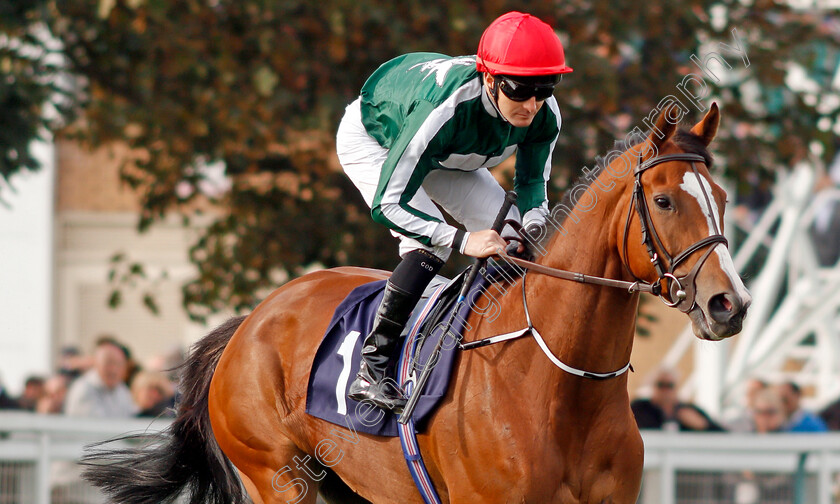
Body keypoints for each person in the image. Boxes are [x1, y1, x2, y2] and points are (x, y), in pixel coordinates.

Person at [336, 11, 572, 412]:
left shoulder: (545, 116)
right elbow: (387, 204)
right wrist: (463, 239)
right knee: (430, 248)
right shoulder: (444, 108)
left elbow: (532, 187)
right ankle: (372, 367)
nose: (531, 105)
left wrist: (534, 224)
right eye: (520, 90)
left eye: (545, 88)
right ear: (491, 79)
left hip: (448, 157)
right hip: (379, 141)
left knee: (518, 238)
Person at [63, 337, 137, 418]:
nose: (114, 369)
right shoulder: (84, 389)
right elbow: (95, 426)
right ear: (96, 363)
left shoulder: (121, 390)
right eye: (109, 363)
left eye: (119, 364)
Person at [630, 368, 725, 432]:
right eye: (661, 385)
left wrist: (703, 425)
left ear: (677, 388)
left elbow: (725, 435)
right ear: (652, 386)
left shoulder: (689, 410)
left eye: (669, 386)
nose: (665, 391)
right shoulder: (639, 409)